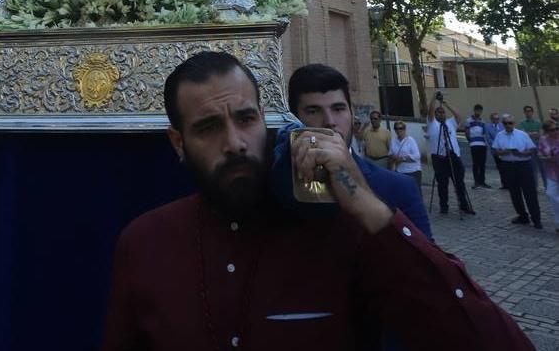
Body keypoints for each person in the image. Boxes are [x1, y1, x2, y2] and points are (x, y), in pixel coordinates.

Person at [101, 52, 533, 350]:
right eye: (208, 127)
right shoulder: (145, 244)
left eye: (246, 119)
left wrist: (365, 203)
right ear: (178, 143)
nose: (234, 143)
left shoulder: (342, 233)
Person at [287, 63, 431, 238]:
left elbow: (429, 264)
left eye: (338, 109)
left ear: (351, 113)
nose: (330, 121)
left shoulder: (400, 187)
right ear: (293, 118)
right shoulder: (275, 185)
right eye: (313, 111)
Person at [427, 94, 474, 215]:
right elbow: (430, 111)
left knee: (459, 182)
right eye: (438, 112)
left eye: (442, 112)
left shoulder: (450, 123)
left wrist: (445, 103)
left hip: (453, 155)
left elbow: (459, 116)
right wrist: (433, 99)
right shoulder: (432, 124)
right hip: (439, 157)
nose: (440, 114)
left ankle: (464, 206)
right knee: (442, 184)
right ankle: (444, 206)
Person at [492, 113, 542, 229]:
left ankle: (536, 219)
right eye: (505, 123)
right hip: (508, 165)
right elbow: (496, 150)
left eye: (510, 123)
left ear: (514, 123)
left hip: (523, 165)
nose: (508, 125)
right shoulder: (500, 135)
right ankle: (522, 216)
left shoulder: (522, 134)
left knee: (530, 193)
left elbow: (531, 150)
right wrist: (504, 152)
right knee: (514, 193)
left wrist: (521, 153)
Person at [537, 118, 559, 232]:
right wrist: (548, 158)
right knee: (551, 194)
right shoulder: (543, 140)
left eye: (557, 128)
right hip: (552, 172)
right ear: (546, 131)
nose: (556, 131)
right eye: (552, 130)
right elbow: (540, 155)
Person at [389, 120, 423, 192]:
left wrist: (402, 159)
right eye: (396, 128)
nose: (398, 130)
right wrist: (394, 157)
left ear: (404, 129)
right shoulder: (393, 141)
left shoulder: (410, 140)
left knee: (415, 192)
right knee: (403, 192)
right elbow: (390, 153)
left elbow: (417, 156)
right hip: (400, 171)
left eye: (401, 128)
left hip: (413, 172)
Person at [517, 105, 546, 188]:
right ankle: (535, 186)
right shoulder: (522, 123)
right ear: (524, 112)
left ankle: (547, 186)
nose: (528, 112)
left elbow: (540, 134)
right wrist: (534, 133)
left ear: (532, 112)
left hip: (539, 147)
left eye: (530, 111)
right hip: (529, 147)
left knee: (543, 168)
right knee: (533, 169)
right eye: (526, 111)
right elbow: (523, 134)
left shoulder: (538, 123)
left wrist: (529, 133)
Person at [464, 104, 490, 188]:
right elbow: (467, 132)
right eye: (477, 110)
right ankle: (476, 182)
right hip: (474, 144)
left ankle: (482, 181)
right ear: (474, 110)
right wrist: (470, 141)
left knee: (482, 164)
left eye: (480, 111)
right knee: (476, 163)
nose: (478, 112)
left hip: (482, 144)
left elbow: (484, 133)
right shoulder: (468, 120)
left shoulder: (483, 121)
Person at [484, 112, 507, 189]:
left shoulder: (502, 126)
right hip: (495, 150)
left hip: (504, 149)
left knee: (506, 166)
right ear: (491, 119)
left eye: (498, 119)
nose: (496, 120)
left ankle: (509, 182)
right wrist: (496, 146)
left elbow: (505, 136)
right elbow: (488, 138)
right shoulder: (487, 127)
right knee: (500, 167)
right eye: (495, 119)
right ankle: (504, 183)